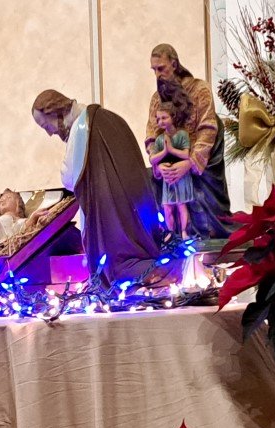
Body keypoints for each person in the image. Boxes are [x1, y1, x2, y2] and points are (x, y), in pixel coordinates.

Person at [31, 89, 173, 288]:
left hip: (109, 213)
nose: (50, 132)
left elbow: (70, 177)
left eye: (47, 125)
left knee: (114, 264)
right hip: (132, 210)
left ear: (55, 112)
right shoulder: (108, 119)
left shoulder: (82, 128)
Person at [148, 44, 229, 239]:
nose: (158, 75)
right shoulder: (156, 100)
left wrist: (190, 163)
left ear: (174, 64)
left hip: (199, 165)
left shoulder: (199, 89)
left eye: (161, 68)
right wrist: (160, 166)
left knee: (204, 210)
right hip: (170, 167)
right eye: (154, 70)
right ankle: (172, 235)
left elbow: (208, 128)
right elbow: (152, 136)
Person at [144, 99, 196, 238]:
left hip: (181, 176)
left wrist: (172, 149)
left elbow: (186, 154)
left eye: (164, 117)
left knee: (181, 205)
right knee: (167, 207)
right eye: (158, 118)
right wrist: (164, 153)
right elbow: (152, 159)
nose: (161, 121)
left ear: (173, 117)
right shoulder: (160, 139)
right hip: (168, 178)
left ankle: (184, 231)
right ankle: (171, 233)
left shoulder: (182, 135)